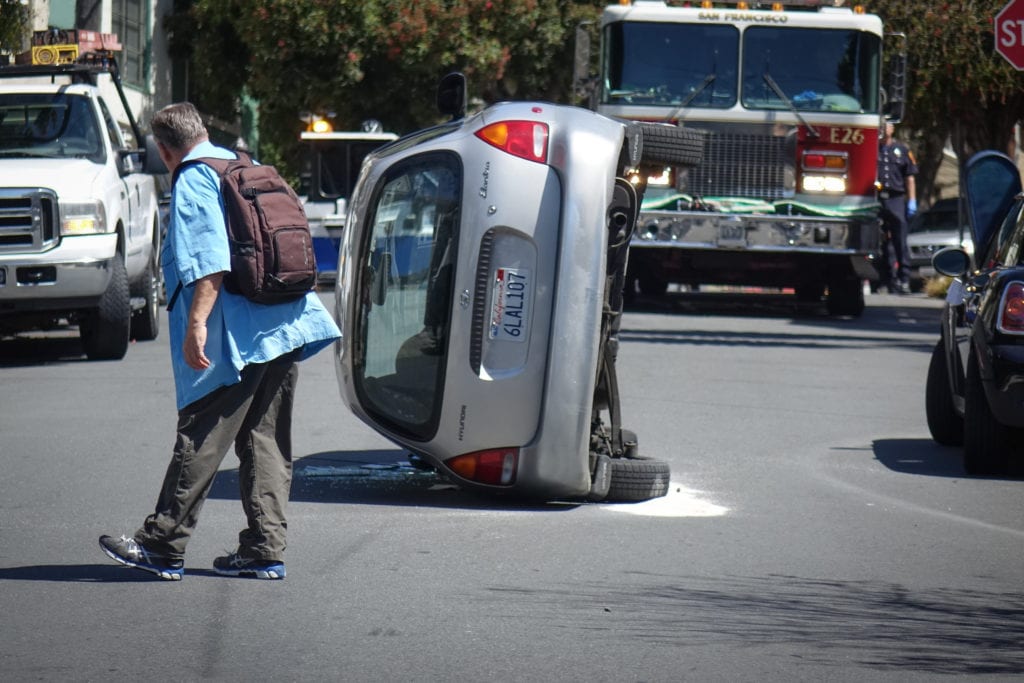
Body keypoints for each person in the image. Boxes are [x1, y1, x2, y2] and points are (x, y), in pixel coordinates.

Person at [99, 102, 341, 580]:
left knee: (202, 433)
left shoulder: (192, 178)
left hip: (237, 337)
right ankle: (264, 549)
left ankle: (162, 544)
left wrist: (196, 326)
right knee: (265, 440)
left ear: (164, 151)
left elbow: (210, 259)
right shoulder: (241, 164)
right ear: (204, 131)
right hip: (284, 322)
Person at [877, 121, 918, 293]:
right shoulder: (873, 149)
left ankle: (904, 278)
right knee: (879, 241)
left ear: (893, 129)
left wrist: (912, 200)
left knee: (900, 240)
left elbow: (910, 177)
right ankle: (884, 279)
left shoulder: (902, 150)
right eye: (882, 125)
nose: (884, 128)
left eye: (888, 125)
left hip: (896, 199)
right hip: (877, 198)